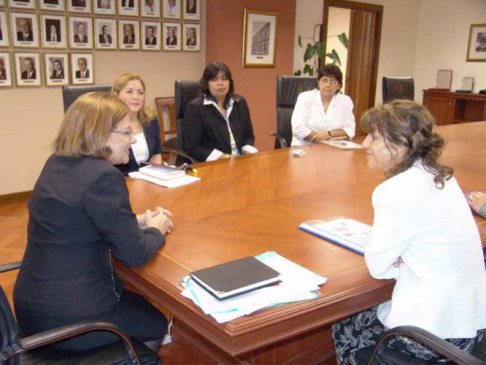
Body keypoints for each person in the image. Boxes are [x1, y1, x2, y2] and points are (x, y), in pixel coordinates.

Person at [13, 92, 172, 353]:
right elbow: (134, 254)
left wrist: (140, 220)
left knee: (138, 304)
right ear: (101, 134)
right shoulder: (103, 177)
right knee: (156, 322)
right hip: (74, 318)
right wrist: (156, 229)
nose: (132, 141)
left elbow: (80, 220)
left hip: (32, 306)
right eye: (126, 133)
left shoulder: (56, 163)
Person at [331, 100, 486, 364]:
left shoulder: (395, 191)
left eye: (374, 137)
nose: (365, 144)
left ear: (401, 144)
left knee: (344, 327)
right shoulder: (441, 176)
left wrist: (401, 262)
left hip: (436, 333)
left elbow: (378, 269)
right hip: (473, 321)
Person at [183, 61, 258, 162]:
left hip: (240, 161)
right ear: (207, 84)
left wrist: (247, 149)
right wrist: (222, 157)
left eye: (224, 79)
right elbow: (192, 147)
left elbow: (249, 135)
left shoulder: (239, 103)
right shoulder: (196, 108)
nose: (220, 83)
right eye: (214, 79)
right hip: (213, 164)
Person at [291, 64, 355, 146]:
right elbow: (298, 128)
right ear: (318, 83)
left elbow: (349, 130)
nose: (328, 85)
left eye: (333, 81)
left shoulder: (345, 101)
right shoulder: (304, 98)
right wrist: (324, 140)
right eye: (325, 80)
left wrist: (328, 134)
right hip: (305, 147)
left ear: (339, 85)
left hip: (334, 150)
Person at [112, 73, 162, 174]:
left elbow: (156, 155)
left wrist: (157, 176)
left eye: (140, 92)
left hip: (148, 180)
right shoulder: (110, 124)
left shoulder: (150, 120)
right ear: (116, 96)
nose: (136, 97)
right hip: (121, 181)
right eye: (129, 92)